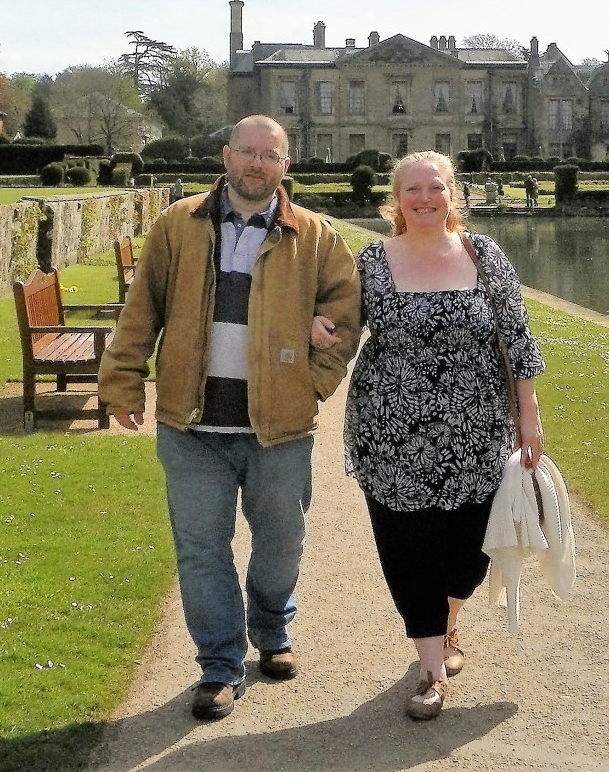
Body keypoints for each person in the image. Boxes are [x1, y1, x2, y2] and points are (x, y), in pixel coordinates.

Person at [98, 114, 361, 721]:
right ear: (226, 155)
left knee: (282, 542)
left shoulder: (317, 238)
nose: (256, 164)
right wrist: (122, 382)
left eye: (269, 155)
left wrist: (312, 385)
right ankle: (219, 662)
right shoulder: (178, 226)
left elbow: (345, 318)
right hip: (193, 427)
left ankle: (271, 628)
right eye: (247, 152)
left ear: (285, 165)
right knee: (201, 550)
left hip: (279, 428)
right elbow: (142, 311)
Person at [340, 150, 545, 720]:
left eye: (436, 188)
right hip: (390, 435)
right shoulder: (374, 262)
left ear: (452, 196)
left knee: (466, 557)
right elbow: (342, 327)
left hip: (477, 434)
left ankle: (451, 621)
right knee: (407, 550)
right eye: (414, 190)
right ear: (396, 199)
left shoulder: (484, 256)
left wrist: (528, 415)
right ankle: (431, 669)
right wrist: (317, 325)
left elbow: (518, 338)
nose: (425, 198)